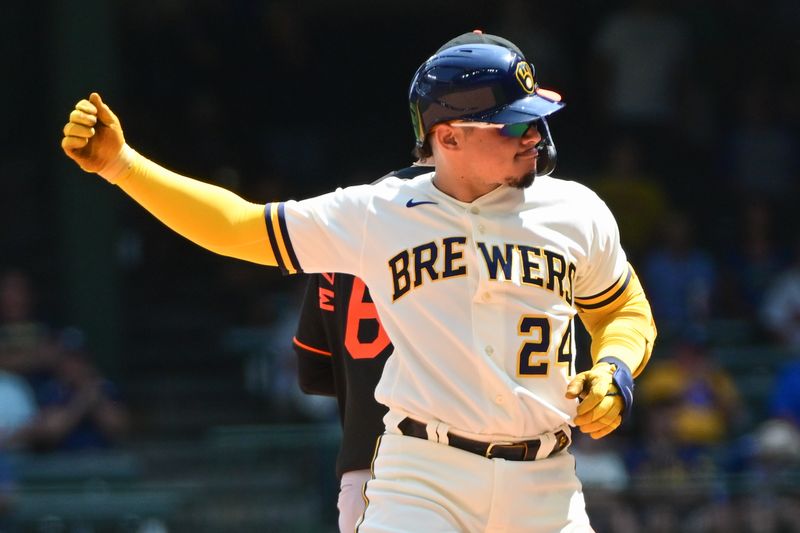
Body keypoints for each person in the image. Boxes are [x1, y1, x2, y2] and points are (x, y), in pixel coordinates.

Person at [60, 30, 656, 532]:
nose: (533, 134)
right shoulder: (378, 212)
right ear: (447, 137)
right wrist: (123, 166)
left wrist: (616, 370)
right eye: (510, 125)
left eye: (534, 119)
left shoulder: (575, 210)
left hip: (546, 482)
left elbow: (625, 310)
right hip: (426, 473)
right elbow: (238, 225)